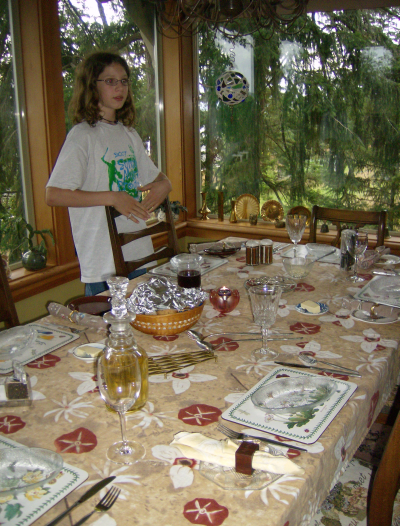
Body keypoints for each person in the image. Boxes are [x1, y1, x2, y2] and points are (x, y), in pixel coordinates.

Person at [46, 51, 172, 296]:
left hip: (138, 253)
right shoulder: (83, 136)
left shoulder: (128, 133)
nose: (120, 88)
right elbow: (53, 195)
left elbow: (155, 177)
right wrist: (113, 197)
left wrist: (164, 184)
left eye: (124, 81)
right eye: (110, 81)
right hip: (103, 261)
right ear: (92, 86)